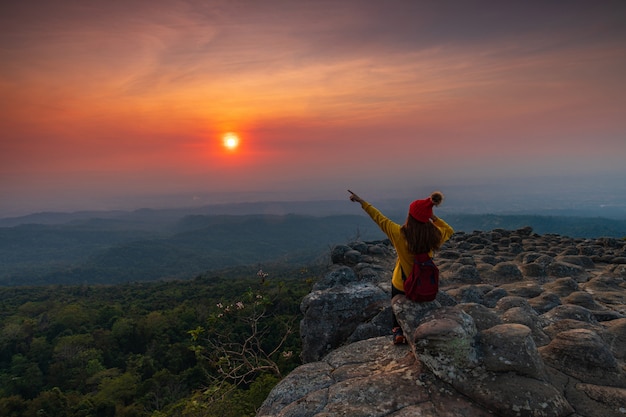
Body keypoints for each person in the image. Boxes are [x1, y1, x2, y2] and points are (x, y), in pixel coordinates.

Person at [348, 189, 454, 344]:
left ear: (410, 216)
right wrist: (433, 217)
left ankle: (397, 330)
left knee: (395, 296)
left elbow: (379, 218)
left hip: (402, 285)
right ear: (426, 219)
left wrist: (361, 201)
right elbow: (449, 230)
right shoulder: (435, 236)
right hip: (423, 283)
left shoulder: (398, 234)